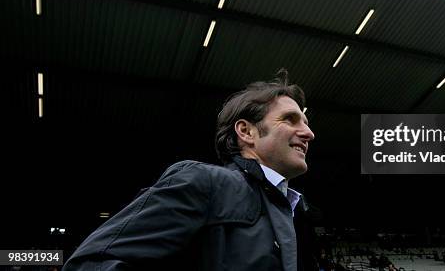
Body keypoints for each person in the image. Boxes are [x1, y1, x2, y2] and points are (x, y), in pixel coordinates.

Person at [63, 69, 317, 270]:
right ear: (246, 131)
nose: (309, 133)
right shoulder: (204, 183)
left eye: (306, 122)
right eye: (290, 119)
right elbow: (91, 263)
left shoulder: (298, 212)